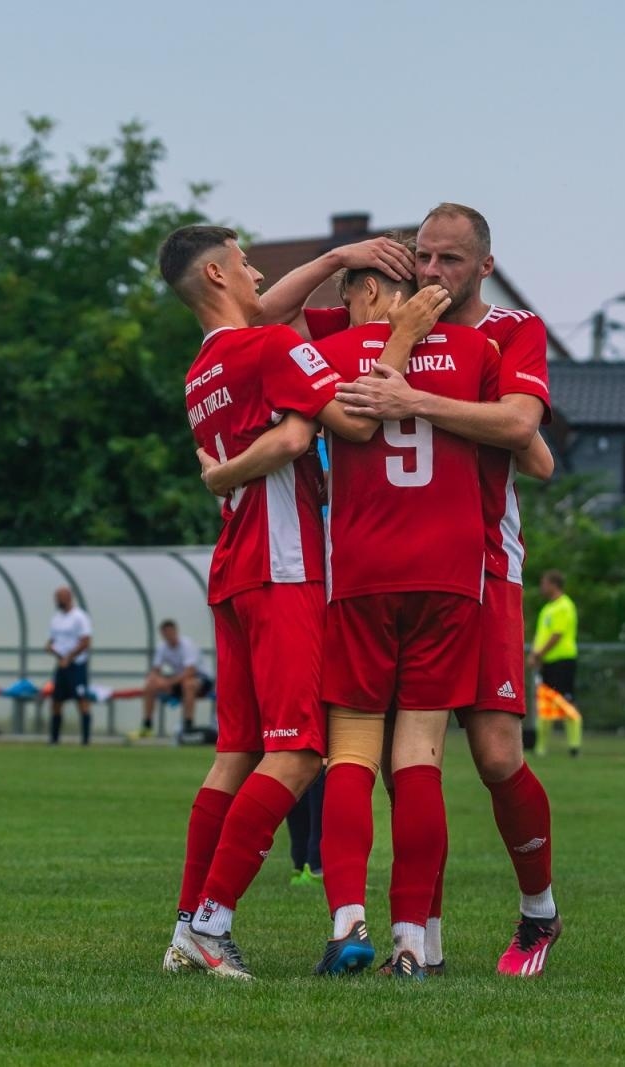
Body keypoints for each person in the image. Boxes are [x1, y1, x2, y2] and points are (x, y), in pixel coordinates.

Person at [156, 224, 447, 980]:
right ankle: (210, 924)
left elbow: (285, 434)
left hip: (235, 569)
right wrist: (403, 335)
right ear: (219, 274)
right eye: (246, 263)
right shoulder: (269, 349)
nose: (258, 274)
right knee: (297, 751)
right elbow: (352, 421)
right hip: (284, 568)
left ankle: (185, 924)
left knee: (235, 756)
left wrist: (237, 466)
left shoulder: (201, 370)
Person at [329, 203, 563, 977]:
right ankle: (417, 930)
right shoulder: (374, 322)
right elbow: (262, 317)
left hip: (486, 564)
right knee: (407, 755)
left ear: (483, 266)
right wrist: (345, 255)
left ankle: (539, 912)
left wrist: (413, 399)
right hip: (395, 566)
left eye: (450, 261)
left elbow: (523, 425)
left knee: (495, 754)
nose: (431, 273)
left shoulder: (510, 331)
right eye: (423, 257)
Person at [531, 571, 581, 757]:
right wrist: (536, 655)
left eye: (544, 583)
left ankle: (574, 746)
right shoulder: (547, 609)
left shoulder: (565, 606)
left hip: (563, 661)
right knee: (545, 704)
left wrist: (538, 654)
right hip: (549, 662)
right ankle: (541, 747)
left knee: (566, 702)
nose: (542, 587)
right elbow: (542, 635)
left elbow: (557, 635)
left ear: (554, 585)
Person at [138, 619, 214, 739]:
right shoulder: (162, 647)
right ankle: (147, 725)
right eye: (165, 633)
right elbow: (155, 670)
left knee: (188, 685)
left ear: (175, 631)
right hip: (178, 679)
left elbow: (190, 671)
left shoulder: (187, 645)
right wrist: (156, 680)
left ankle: (188, 725)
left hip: (202, 678)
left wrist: (168, 683)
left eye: (170, 632)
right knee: (150, 685)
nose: (168, 635)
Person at [47, 587, 93, 745]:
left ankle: (86, 740)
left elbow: (85, 642)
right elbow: (52, 640)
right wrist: (50, 648)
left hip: (77, 665)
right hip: (61, 664)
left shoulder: (80, 617)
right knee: (56, 701)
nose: (58, 600)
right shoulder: (56, 618)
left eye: (60, 597)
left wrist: (70, 657)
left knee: (81, 700)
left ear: (69, 597)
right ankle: (54, 739)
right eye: (56, 597)